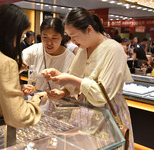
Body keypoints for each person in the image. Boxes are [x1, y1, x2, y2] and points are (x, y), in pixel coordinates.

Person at [42, 7, 134, 150]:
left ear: (89, 30)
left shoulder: (113, 49)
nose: (72, 41)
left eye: (74, 36)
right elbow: (76, 78)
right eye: (69, 36)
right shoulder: (83, 48)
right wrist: (63, 91)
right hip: (86, 111)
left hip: (107, 112)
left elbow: (101, 94)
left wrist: (69, 78)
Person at [22, 17, 75, 92]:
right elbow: (17, 63)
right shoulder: (34, 50)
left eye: (54, 38)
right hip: (34, 100)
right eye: (45, 37)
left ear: (62, 37)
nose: (49, 43)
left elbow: (73, 88)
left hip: (58, 102)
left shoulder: (70, 58)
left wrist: (63, 93)